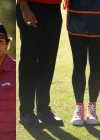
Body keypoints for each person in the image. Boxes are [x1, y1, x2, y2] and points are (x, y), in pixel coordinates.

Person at [16, 0, 64, 128]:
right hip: (31, 7)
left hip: (54, 9)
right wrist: (24, 7)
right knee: (29, 61)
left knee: (48, 61)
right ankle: (26, 112)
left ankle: (43, 110)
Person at [66, 0, 100, 126]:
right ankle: (79, 108)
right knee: (79, 64)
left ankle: (92, 107)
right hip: (76, 16)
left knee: (96, 63)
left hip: (99, 16)